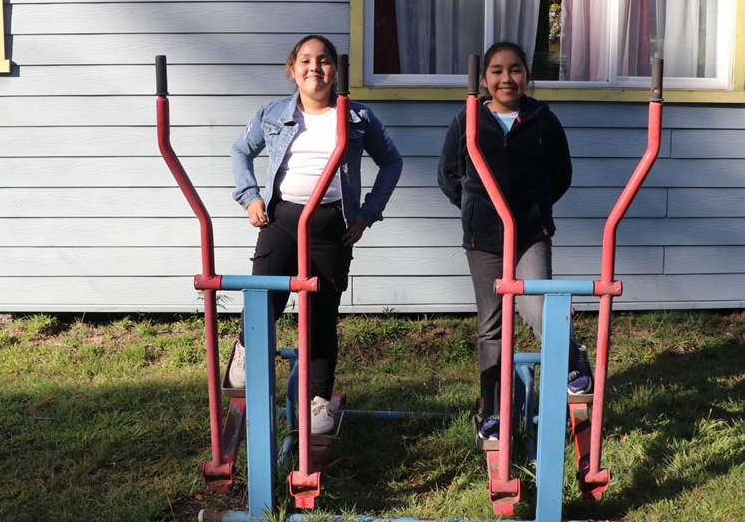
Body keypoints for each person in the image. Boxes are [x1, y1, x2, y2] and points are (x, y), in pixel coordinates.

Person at [229, 34, 403, 434]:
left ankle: (319, 399)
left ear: (335, 70)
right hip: (281, 221)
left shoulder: (357, 117)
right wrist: (250, 196)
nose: (315, 68)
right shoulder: (273, 113)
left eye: (323, 60)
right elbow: (241, 150)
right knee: (266, 297)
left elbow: (391, 162)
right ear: (292, 70)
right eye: (305, 60)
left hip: (331, 228)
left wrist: (368, 213)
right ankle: (246, 349)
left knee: (322, 317)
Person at [437, 40, 591, 442]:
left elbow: (560, 175)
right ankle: (491, 412)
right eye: (497, 71)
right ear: (484, 79)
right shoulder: (467, 119)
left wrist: (533, 208)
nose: (507, 78)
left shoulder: (542, 120)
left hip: (529, 234)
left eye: (515, 69)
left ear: (527, 75)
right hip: (484, 237)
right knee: (491, 325)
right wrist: (474, 207)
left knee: (538, 308)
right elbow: (449, 175)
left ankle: (572, 361)